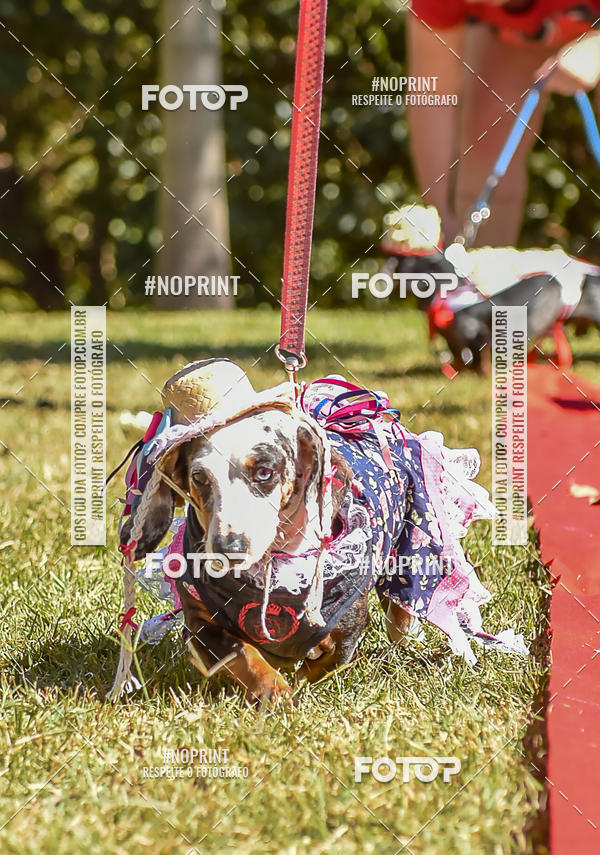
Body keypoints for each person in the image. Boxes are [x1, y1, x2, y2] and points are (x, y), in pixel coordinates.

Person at [407, 0, 600, 246]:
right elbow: (431, 97)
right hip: (518, 36)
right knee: (488, 135)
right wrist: (438, 223)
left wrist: (596, 48)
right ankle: (478, 273)